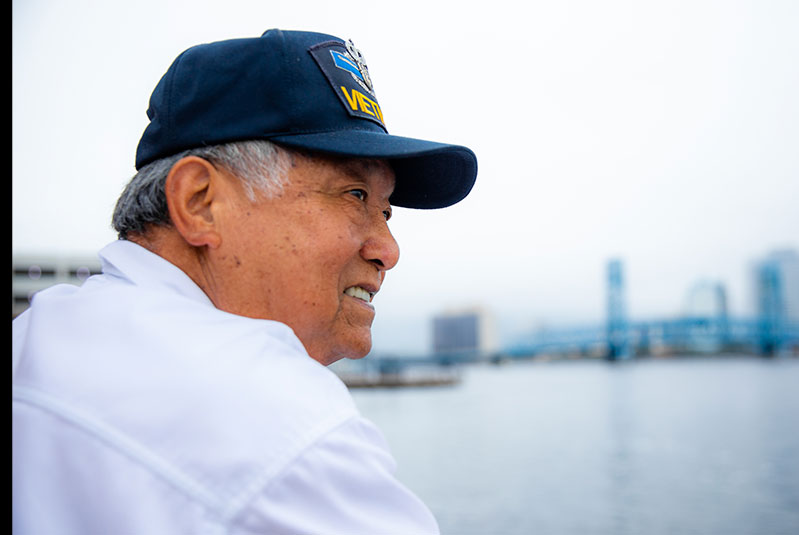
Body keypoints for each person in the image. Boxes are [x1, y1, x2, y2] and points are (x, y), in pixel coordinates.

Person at [12, 29, 477, 534]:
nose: (388, 250)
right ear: (199, 202)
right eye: (355, 195)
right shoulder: (283, 430)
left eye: (386, 211)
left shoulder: (36, 340)